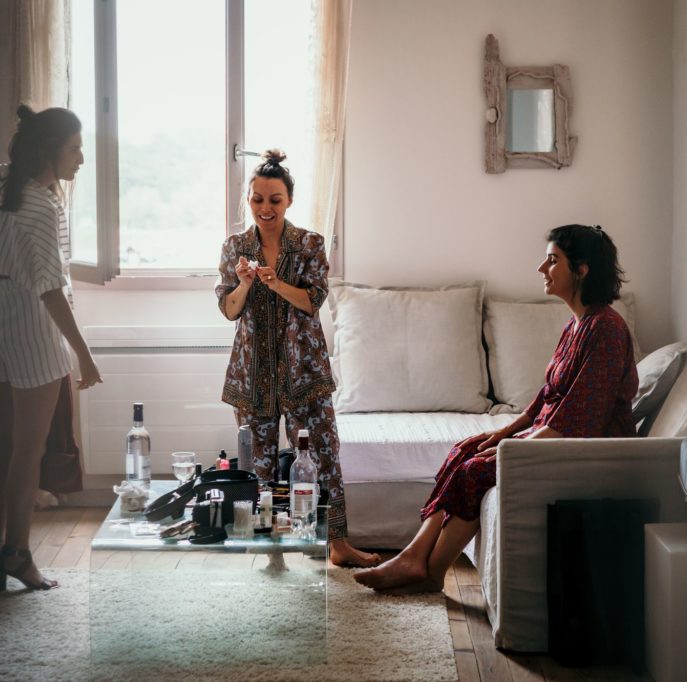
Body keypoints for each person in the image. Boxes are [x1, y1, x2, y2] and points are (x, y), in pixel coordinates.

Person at [354, 224, 639, 593]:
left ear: (581, 270)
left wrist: (516, 447)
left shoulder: (607, 330)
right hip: (557, 438)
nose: (541, 268)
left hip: (583, 452)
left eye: (553, 260)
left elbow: (581, 417)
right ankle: (413, 555)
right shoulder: (577, 324)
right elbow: (547, 396)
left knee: (475, 470)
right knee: (465, 449)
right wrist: (503, 432)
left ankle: (432, 573)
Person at [0, 105, 102, 591]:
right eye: (74, 149)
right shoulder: (42, 207)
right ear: (48, 150)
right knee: (28, 450)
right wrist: (84, 355)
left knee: (5, 439)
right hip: (29, 320)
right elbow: (50, 290)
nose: (81, 159)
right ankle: (18, 554)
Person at [216, 149, 380, 568]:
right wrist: (244, 284)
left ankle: (338, 545)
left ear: (289, 200)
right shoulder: (235, 247)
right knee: (261, 465)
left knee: (324, 455)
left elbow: (313, 301)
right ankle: (272, 551)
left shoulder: (309, 244)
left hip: (304, 371)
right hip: (252, 374)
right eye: (257, 199)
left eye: (274, 199)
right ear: (248, 200)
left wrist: (276, 283)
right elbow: (229, 310)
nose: (265, 208)